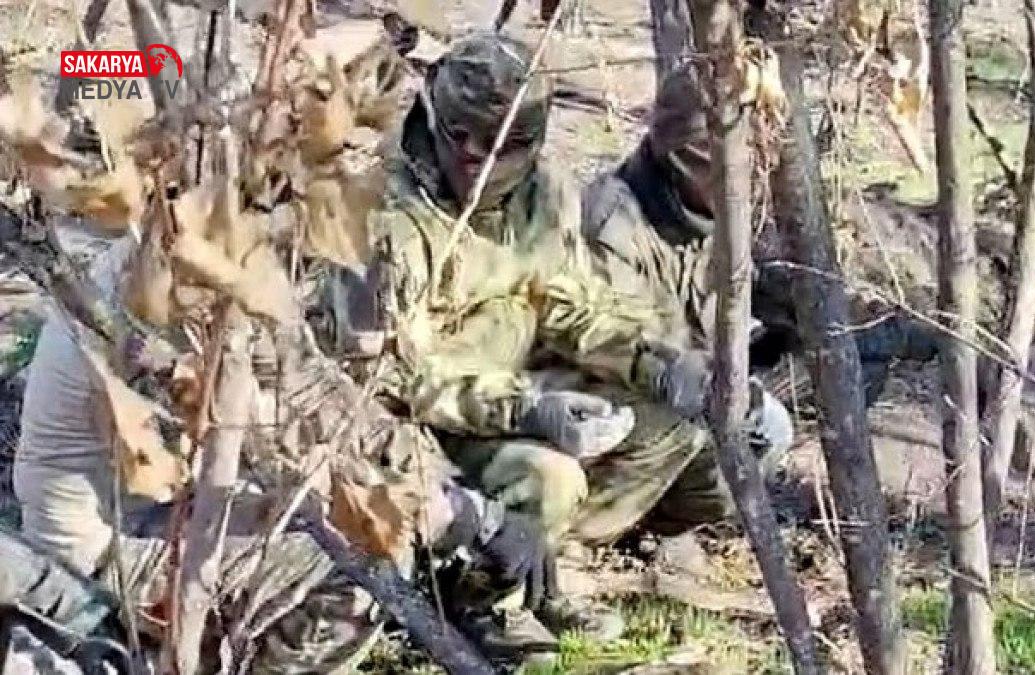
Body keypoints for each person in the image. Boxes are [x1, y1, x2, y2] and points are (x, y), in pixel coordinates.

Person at [327, 30, 793, 657]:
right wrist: (527, 410)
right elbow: (383, 381)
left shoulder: (544, 194)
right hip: (409, 432)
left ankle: (547, 560)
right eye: (464, 138)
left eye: (510, 145)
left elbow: (573, 306)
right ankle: (479, 597)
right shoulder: (382, 219)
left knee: (672, 421)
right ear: (433, 117)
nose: (481, 161)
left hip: (506, 393)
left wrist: (656, 363)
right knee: (550, 477)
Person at [14, 233, 551, 672]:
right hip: (106, 548)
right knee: (363, 555)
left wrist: (459, 497)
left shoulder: (220, 253)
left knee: (369, 513)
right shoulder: (168, 288)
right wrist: (450, 514)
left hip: (168, 501)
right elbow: (275, 441)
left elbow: (320, 395)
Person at [581, 64, 938, 407]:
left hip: (713, 366)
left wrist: (888, 332)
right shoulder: (612, 228)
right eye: (740, 160)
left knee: (855, 356)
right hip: (649, 395)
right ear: (685, 160)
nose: (755, 173)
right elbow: (636, 361)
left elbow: (770, 286)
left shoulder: (716, 210)